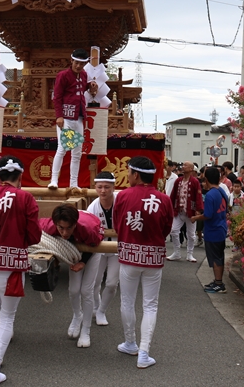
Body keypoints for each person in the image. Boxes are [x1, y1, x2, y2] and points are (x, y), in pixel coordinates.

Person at [0, 155, 41, 386]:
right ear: (21, 176)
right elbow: (34, 236)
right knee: (7, 317)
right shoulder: (26, 198)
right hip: (12, 267)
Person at [113, 156, 173, 369]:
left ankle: (130, 343)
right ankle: (144, 352)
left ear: (136, 175)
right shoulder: (164, 199)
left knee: (127, 301)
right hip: (153, 257)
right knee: (150, 305)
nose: (128, 176)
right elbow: (167, 228)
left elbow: (117, 224)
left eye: (129, 172)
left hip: (129, 255)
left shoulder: (123, 196)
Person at [40, 205, 103, 348]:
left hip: (92, 250)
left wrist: (83, 262)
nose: (64, 232)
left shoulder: (89, 229)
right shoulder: (49, 226)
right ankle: (77, 315)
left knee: (86, 290)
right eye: (61, 228)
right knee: (74, 290)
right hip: (72, 251)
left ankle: (86, 330)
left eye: (69, 228)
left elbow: (95, 244)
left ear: (75, 224)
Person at [48, 48, 98, 190]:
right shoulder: (63, 75)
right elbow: (57, 97)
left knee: (77, 152)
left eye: (82, 64)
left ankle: (73, 183)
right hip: (66, 117)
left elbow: (81, 88)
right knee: (63, 148)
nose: (78, 66)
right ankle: (54, 180)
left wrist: (90, 86)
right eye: (76, 63)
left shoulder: (84, 75)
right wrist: (59, 116)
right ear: (71, 61)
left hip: (79, 117)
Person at [87, 171, 119, 326]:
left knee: (112, 284)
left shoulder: (121, 201)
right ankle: (96, 306)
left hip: (117, 247)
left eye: (107, 187)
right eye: (99, 187)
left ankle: (101, 311)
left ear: (114, 187)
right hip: (98, 247)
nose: (103, 190)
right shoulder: (92, 207)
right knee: (94, 282)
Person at [191, 167, 229, 294]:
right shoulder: (221, 191)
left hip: (213, 230)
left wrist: (195, 218)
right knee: (219, 256)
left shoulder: (210, 195)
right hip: (221, 228)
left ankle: (219, 283)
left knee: (216, 258)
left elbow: (208, 215)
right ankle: (218, 281)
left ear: (206, 179)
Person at [168, 161, 203, 263]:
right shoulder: (178, 180)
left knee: (191, 234)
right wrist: (170, 207)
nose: (183, 167)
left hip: (190, 211)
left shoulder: (195, 181)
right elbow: (173, 195)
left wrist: (198, 210)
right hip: (178, 210)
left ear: (191, 169)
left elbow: (198, 196)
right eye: (183, 165)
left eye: (186, 165)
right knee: (173, 230)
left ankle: (190, 254)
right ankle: (177, 252)